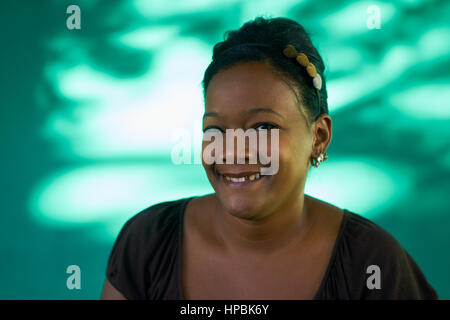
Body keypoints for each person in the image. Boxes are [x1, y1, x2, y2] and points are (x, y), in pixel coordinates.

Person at [100, 16, 438, 300]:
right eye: (215, 129)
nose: (233, 149)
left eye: (263, 126)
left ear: (318, 138)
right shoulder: (148, 243)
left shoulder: (371, 263)